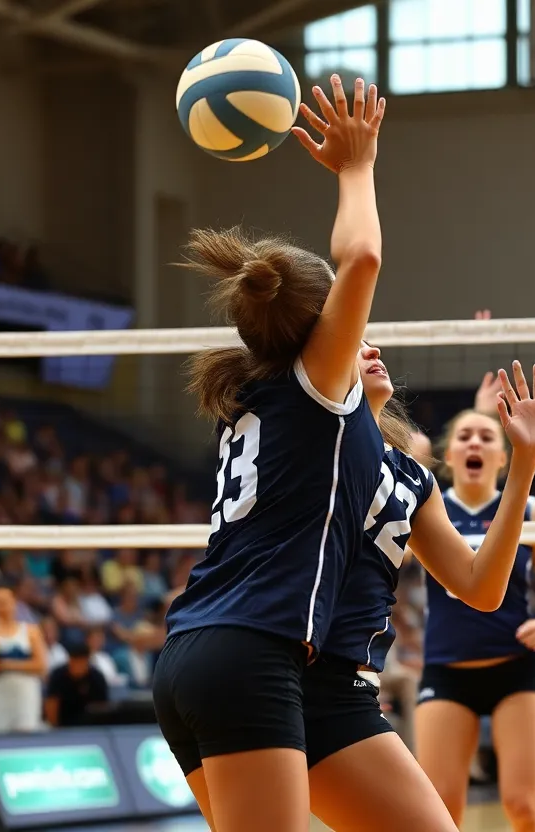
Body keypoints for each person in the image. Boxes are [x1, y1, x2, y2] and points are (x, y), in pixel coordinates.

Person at [176, 354, 535, 832]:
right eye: (355, 344)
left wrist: (525, 460)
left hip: (335, 683)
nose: (373, 351)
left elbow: (482, 589)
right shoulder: (310, 428)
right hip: (263, 658)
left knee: (493, 812)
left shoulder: (411, 477)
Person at [152, 74, 389, 832]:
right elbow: (362, 261)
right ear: (324, 332)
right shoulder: (314, 386)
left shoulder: (257, 395)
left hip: (206, 654)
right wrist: (357, 167)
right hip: (250, 657)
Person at [413, 373, 535, 832]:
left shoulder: (529, 510)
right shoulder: (427, 508)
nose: (474, 443)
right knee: (440, 812)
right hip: (447, 670)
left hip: (517, 666)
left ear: (504, 459)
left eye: (486, 437)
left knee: (523, 806)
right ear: (447, 456)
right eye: (463, 437)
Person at [0, 583, 47, 733]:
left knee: (26, 733)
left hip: (25, 692)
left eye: (6, 602)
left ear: (15, 603)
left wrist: (7, 664)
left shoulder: (31, 631)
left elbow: (40, 665)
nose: (3, 607)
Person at [46, 641, 109, 728]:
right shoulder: (58, 675)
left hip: (91, 726)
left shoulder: (97, 677)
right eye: (74, 662)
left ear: (87, 661)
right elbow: (51, 704)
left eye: (81, 663)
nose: (77, 667)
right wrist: (54, 728)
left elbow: (102, 707)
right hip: (63, 725)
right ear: (69, 660)